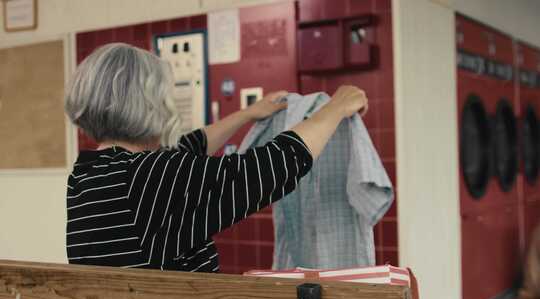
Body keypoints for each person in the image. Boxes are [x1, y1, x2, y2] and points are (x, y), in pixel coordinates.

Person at [64, 43, 368, 272]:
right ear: (149, 105)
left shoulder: (88, 175)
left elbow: (183, 149)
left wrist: (246, 114)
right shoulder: (150, 178)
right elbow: (270, 168)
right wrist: (336, 107)